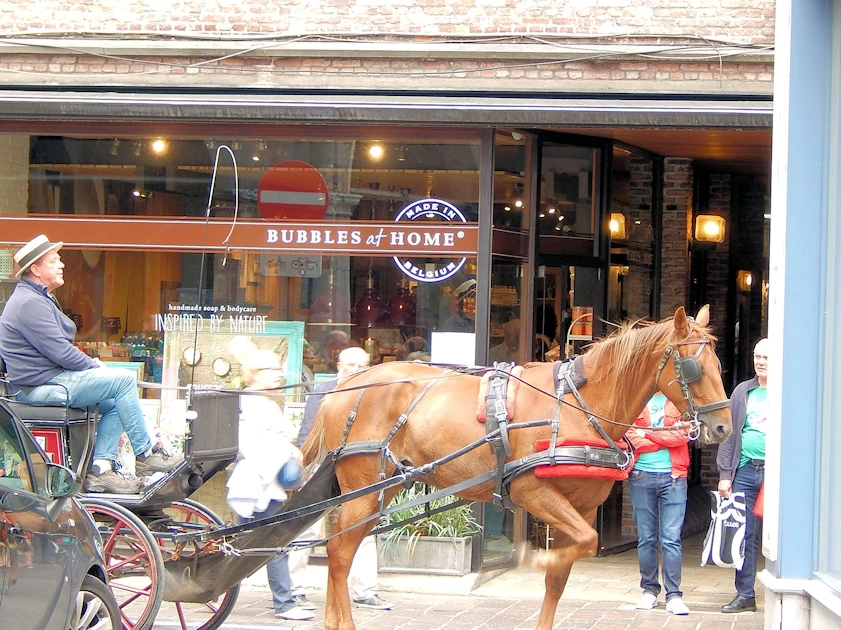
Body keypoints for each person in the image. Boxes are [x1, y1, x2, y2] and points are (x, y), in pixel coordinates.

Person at [0, 235, 181, 493]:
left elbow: (57, 350)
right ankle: (146, 453)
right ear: (36, 269)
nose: (61, 264)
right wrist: (94, 366)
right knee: (123, 381)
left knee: (116, 401)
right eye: (54, 261)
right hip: (38, 386)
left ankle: (100, 469)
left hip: (48, 379)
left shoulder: (36, 297)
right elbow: (60, 352)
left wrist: (90, 363)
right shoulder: (29, 302)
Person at [295, 346, 393, 611]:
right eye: (350, 366)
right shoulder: (324, 390)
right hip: (323, 464)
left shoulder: (374, 394)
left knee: (362, 524)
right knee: (307, 528)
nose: (355, 371)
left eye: (361, 367)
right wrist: (304, 469)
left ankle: (365, 591)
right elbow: (307, 432)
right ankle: (296, 589)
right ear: (339, 365)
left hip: (357, 467)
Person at [225, 345, 314, 622]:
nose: (279, 375)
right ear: (255, 373)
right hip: (254, 484)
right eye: (273, 370)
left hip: (266, 484)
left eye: (279, 369)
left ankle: (211, 584)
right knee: (273, 545)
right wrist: (287, 453)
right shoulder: (246, 403)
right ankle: (285, 604)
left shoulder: (266, 404)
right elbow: (245, 446)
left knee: (256, 545)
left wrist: (290, 451)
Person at [625, 392, 691, 615]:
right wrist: (664, 438)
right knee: (646, 538)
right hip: (641, 476)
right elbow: (631, 437)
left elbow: (683, 436)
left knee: (671, 539)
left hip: (674, 478)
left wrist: (649, 434)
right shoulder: (635, 401)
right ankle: (649, 591)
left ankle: (674, 595)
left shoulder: (680, 401)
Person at [716, 337, 769, 614]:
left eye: (766, 358)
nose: (760, 362)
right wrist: (726, 474)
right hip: (746, 470)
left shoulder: (787, 391)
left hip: (777, 475)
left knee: (780, 535)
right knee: (745, 535)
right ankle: (745, 594)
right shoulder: (742, 392)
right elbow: (728, 434)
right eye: (757, 357)